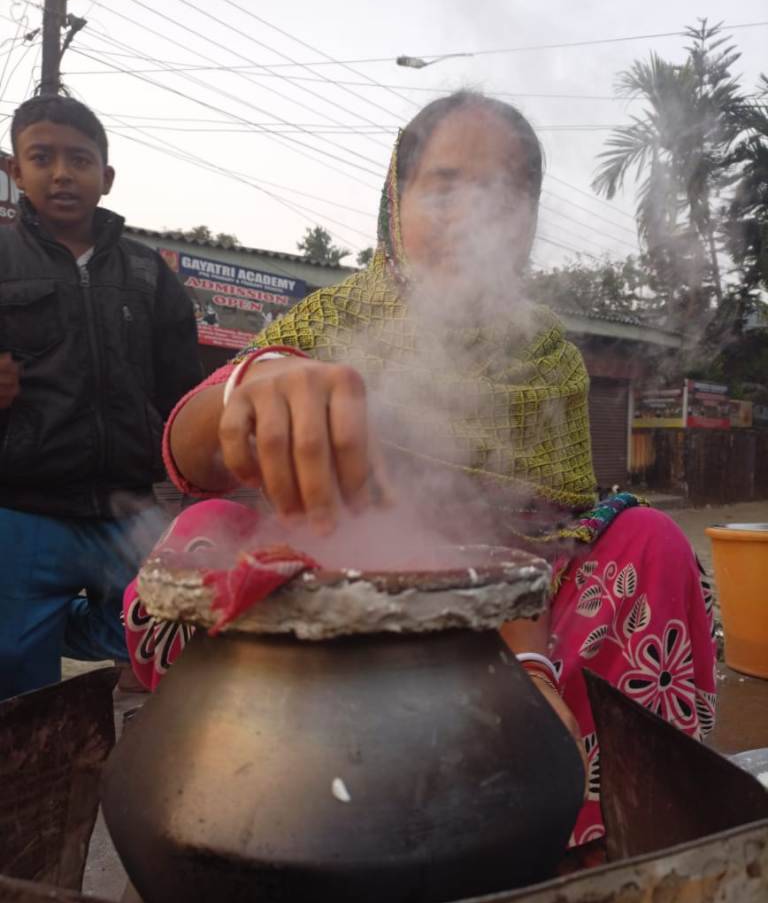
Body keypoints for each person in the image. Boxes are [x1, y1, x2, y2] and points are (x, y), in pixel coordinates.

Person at [124, 92, 716, 849]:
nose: (473, 219)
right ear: (393, 201)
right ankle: (254, 806)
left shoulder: (549, 361)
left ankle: (604, 828)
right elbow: (188, 452)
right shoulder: (329, 321)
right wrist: (256, 386)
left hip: (518, 615)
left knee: (651, 542)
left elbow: (542, 535)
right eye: (443, 187)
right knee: (204, 534)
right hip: (336, 624)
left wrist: (528, 662)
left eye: (507, 194)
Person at [0, 94, 203, 700]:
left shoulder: (149, 273)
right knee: (18, 684)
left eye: (80, 160)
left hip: (129, 511)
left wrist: (197, 491)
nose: (62, 173)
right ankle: (25, 791)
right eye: (42, 157)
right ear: (16, 171)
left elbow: (185, 395)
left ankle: (58, 633)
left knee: (164, 641)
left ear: (105, 177)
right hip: (23, 507)